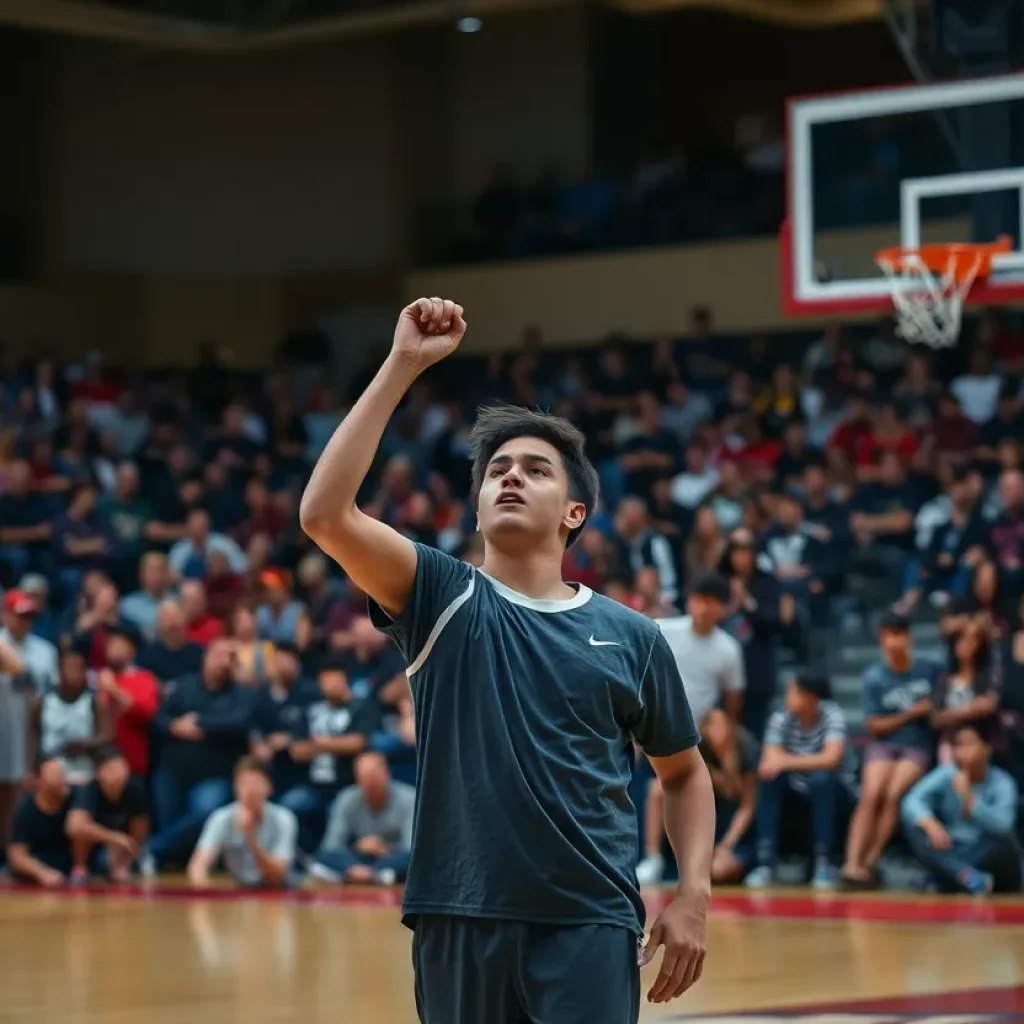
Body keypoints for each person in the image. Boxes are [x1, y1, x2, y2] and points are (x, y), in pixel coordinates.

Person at [300, 297, 713, 1021]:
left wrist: (693, 897)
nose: (511, 477)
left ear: (574, 512)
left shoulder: (633, 636)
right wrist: (402, 365)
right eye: (497, 471)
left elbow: (683, 773)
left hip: (590, 919)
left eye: (535, 469)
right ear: (480, 503)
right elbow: (325, 514)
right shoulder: (441, 594)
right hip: (457, 913)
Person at [841, 613, 940, 889]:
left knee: (894, 793)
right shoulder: (874, 677)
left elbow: (941, 702)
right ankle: (851, 864)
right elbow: (875, 727)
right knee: (871, 794)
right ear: (882, 639)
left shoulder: (930, 668)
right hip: (884, 744)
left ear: (909, 638)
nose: (894, 642)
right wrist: (911, 713)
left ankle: (870, 862)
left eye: (899, 635)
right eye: (888, 636)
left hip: (917, 744)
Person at [148, 637, 254, 869]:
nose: (223, 661)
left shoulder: (240, 693)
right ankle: (167, 860)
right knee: (170, 821)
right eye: (218, 655)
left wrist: (200, 722)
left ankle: (152, 849)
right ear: (206, 658)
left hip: (213, 774)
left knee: (206, 815)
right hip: (172, 770)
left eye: (229, 657)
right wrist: (175, 727)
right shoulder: (185, 685)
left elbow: (239, 722)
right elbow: (158, 719)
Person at [746, 672, 847, 890]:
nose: (787, 697)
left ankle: (824, 862)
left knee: (822, 778)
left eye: (792, 692)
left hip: (834, 789)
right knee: (769, 779)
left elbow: (831, 759)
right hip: (793, 786)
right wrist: (797, 761)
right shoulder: (780, 717)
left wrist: (784, 760)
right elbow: (768, 762)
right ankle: (765, 864)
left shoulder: (832, 714)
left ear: (810, 697)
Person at [638, 708, 758, 886]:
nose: (717, 730)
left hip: (734, 828)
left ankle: (748, 865)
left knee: (719, 870)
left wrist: (726, 845)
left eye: (721, 724)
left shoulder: (745, 748)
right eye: (712, 725)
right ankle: (653, 858)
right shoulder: (697, 748)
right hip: (705, 822)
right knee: (658, 789)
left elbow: (747, 807)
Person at [902, 725, 1020, 894]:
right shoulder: (948, 773)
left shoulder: (1002, 781)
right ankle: (967, 877)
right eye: (958, 745)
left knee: (1002, 844)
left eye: (970, 744)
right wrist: (930, 824)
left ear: (986, 749)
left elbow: (1004, 825)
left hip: (984, 849)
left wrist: (970, 800)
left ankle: (951, 878)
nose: (963, 751)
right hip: (951, 847)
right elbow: (912, 800)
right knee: (914, 826)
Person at [187, 757, 297, 890]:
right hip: (239, 890)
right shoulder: (221, 818)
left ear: (269, 787)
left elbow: (276, 877)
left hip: (278, 890)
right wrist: (203, 886)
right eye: (243, 784)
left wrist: (251, 838)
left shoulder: (284, 818)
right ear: (235, 788)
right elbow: (198, 865)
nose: (250, 790)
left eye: (255, 783)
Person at [310, 751, 415, 885]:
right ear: (357, 778)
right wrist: (357, 847)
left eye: (374, 778)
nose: (370, 784)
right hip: (357, 858)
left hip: (392, 856)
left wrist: (385, 848)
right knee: (322, 857)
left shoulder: (409, 798)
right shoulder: (346, 798)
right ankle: (375, 876)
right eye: (365, 779)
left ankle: (358, 875)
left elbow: (410, 847)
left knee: (412, 860)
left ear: (387, 773)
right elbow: (331, 845)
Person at [655, 573, 746, 726]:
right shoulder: (661, 631)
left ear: (724, 608)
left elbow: (733, 696)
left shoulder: (729, 649)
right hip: (658, 722)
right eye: (699, 600)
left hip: (700, 731)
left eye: (711, 602)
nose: (703, 608)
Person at [66, 746, 148, 883]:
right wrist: (113, 838)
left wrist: (125, 863)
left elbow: (139, 833)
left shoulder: (135, 792)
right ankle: (80, 868)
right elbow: (73, 827)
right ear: (100, 772)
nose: (121, 774)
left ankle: (121, 868)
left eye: (123, 768)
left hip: (123, 849)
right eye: (113, 769)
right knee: (82, 833)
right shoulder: (89, 790)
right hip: (96, 847)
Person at [32, 648, 113, 785]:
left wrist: (86, 745)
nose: (76, 674)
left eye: (80, 669)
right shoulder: (43, 701)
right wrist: (31, 769)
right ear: (60, 671)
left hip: (84, 772)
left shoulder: (95, 701)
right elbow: (33, 734)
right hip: (50, 770)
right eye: (71, 668)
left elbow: (108, 735)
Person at [95, 626, 161, 782]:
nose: (114, 650)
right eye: (111, 645)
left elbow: (147, 711)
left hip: (134, 765)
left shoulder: (143, 678)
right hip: (102, 764)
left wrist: (113, 690)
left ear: (131, 650)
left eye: (119, 645)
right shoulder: (99, 679)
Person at [6, 756, 73, 887]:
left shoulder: (75, 802)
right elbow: (17, 855)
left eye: (62, 773)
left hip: (71, 869)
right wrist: (42, 873)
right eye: (54, 774)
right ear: (38, 780)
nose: (61, 778)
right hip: (37, 866)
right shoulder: (26, 809)